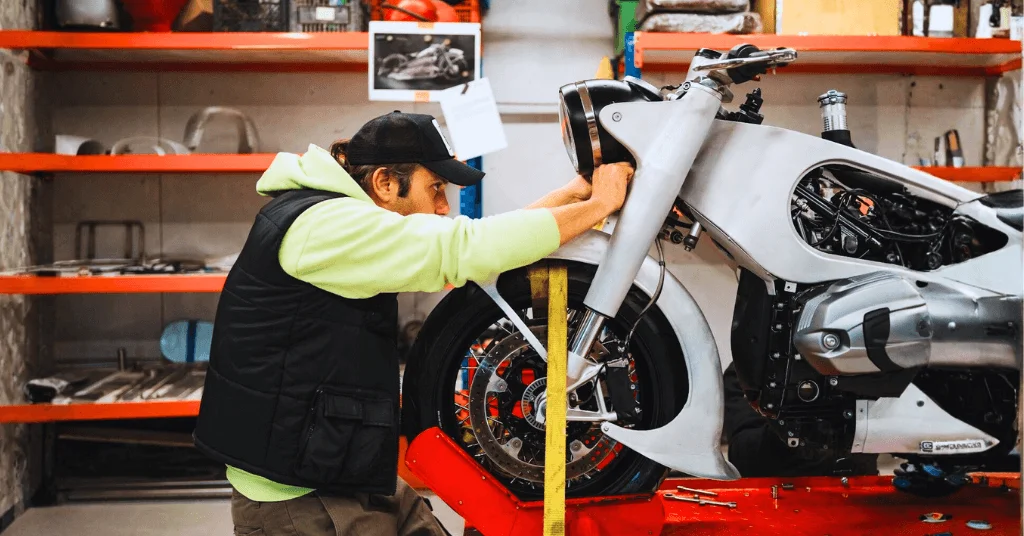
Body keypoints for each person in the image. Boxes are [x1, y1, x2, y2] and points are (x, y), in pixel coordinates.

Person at [193, 111, 634, 535]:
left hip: (336, 465)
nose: (443, 207)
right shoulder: (327, 227)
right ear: (385, 182)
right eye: (436, 187)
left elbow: (470, 246)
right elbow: (463, 248)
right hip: (303, 500)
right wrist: (601, 204)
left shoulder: (331, 215)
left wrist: (572, 196)